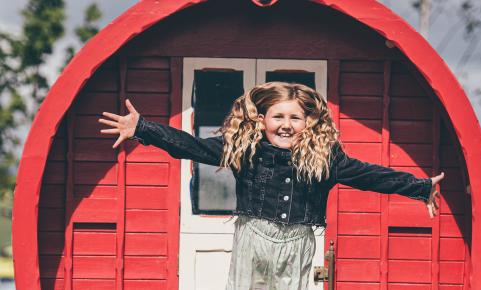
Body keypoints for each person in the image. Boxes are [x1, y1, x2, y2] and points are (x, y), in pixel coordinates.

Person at [99, 81, 444, 290]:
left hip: (298, 240)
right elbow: (191, 145)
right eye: (278, 116)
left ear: (308, 122)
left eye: (295, 118)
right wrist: (143, 127)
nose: (286, 124)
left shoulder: (326, 158)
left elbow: (371, 175)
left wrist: (419, 187)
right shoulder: (245, 151)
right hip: (253, 234)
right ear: (262, 120)